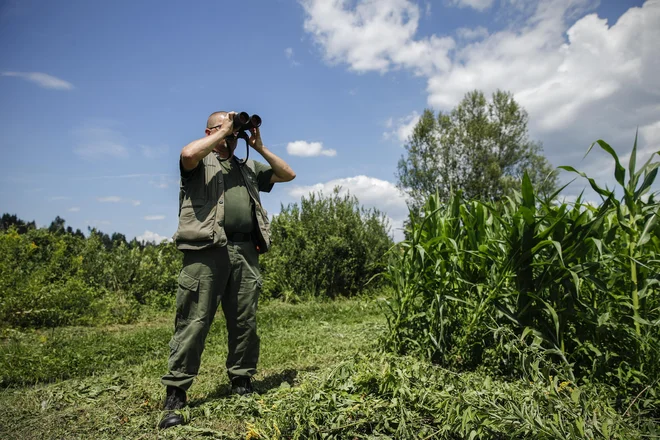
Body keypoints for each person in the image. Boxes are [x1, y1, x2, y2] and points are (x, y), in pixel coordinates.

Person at [159, 111, 296, 429]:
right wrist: (224, 131)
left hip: (245, 252)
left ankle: (242, 383)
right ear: (210, 131)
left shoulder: (247, 167)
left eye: (235, 135)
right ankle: (176, 394)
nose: (232, 139)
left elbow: (287, 174)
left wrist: (258, 146)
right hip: (206, 252)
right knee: (194, 322)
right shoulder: (199, 162)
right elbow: (188, 153)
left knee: (245, 322)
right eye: (226, 132)